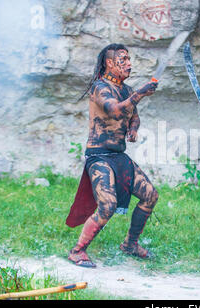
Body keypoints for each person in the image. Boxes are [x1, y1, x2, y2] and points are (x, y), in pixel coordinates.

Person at [65, 43, 159, 268]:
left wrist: (133, 128)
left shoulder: (126, 90)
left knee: (150, 196)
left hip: (119, 156)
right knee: (107, 205)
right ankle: (77, 251)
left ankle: (130, 244)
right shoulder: (100, 87)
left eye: (129, 59)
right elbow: (115, 110)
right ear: (109, 63)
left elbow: (132, 115)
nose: (129, 63)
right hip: (99, 157)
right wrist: (141, 93)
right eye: (123, 59)